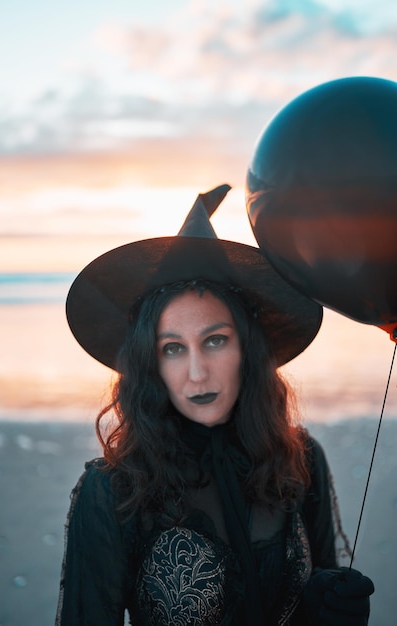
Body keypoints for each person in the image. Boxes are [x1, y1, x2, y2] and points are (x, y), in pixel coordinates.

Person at [55, 184, 374, 626]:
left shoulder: (300, 461)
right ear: (150, 363)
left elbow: (318, 585)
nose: (198, 372)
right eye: (172, 348)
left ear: (248, 348)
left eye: (215, 340)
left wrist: (327, 609)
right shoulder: (115, 490)